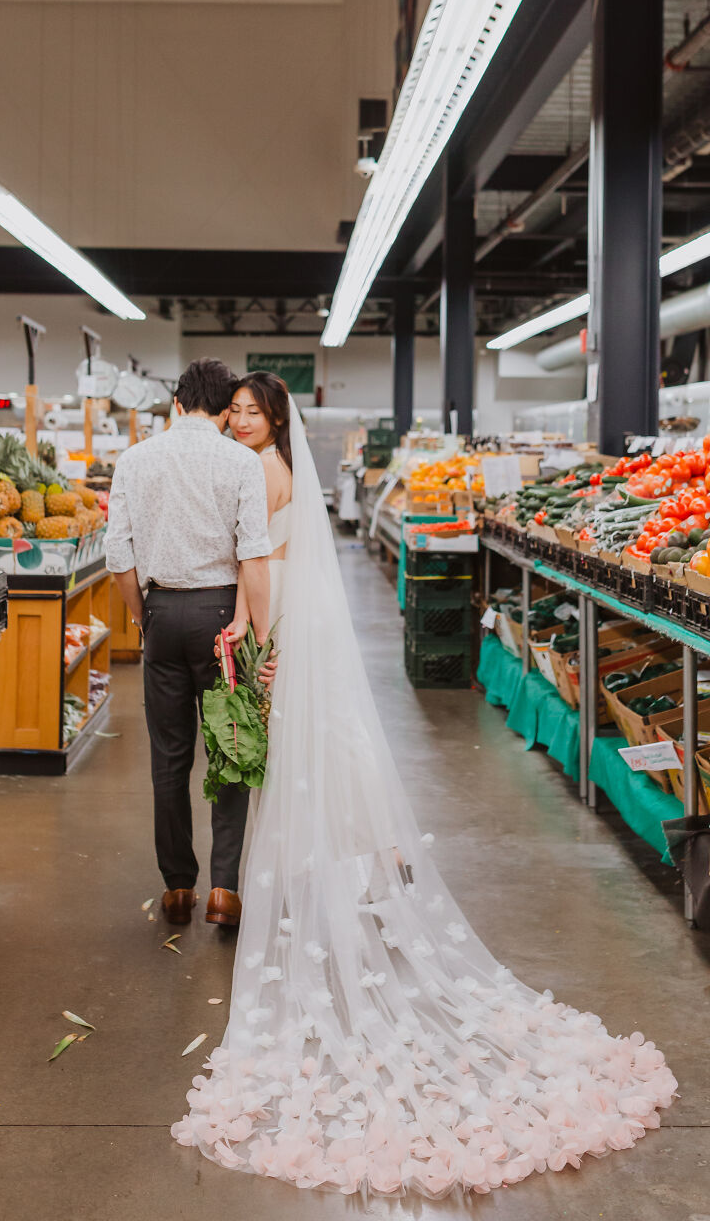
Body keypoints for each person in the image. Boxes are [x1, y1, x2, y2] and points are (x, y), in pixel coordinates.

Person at [172, 378, 677, 1200]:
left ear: (273, 420)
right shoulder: (264, 464)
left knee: (292, 747)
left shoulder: (258, 470)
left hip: (275, 607)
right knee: (315, 746)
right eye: (235, 410)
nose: (238, 420)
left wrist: (250, 633)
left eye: (250, 411)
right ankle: (349, 856)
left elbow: (256, 560)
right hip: (287, 603)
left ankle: (322, 869)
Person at [106, 358, 272, 931]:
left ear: (176, 404)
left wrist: (142, 618)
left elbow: (118, 559)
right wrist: (260, 634)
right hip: (223, 618)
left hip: (161, 612)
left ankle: (178, 886)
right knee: (231, 746)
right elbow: (253, 554)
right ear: (227, 410)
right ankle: (224, 888)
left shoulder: (134, 459)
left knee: (169, 757)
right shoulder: (240, 462)